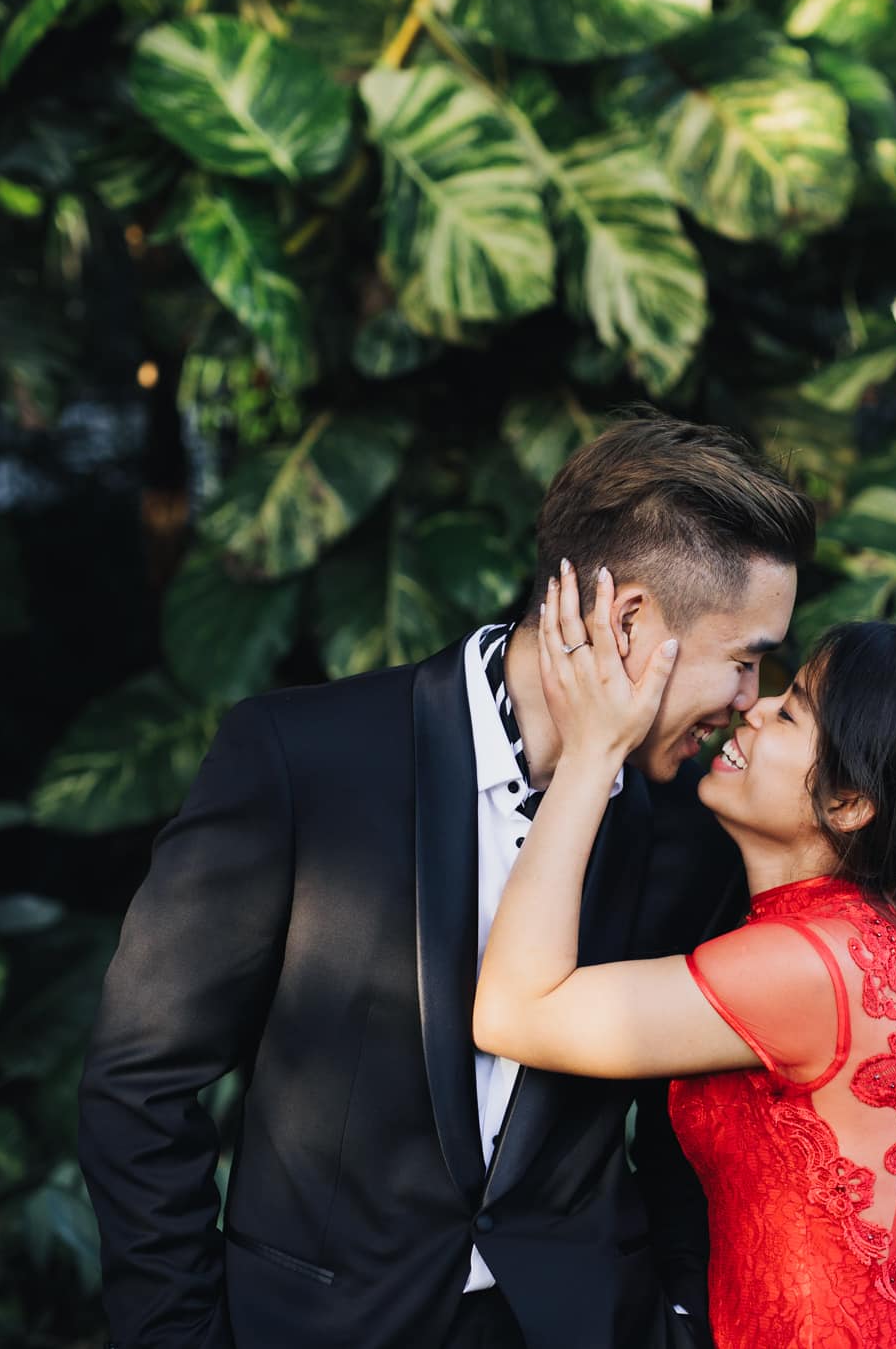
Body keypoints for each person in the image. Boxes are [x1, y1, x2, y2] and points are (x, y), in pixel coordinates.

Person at [76, 410, 816, 1349]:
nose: (752, 702)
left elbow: (684, 1131)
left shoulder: (694, 832)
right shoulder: (303, 758)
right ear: (630, 621)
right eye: (744, 661)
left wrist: (680, 1318)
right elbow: (139, 1083)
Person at [474, 563, 896, 1349]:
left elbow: (514, 1011)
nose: (751, 710)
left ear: (850, 803)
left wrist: (593, 752)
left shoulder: (801, 967)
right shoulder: (865, 933)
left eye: (791, 716)